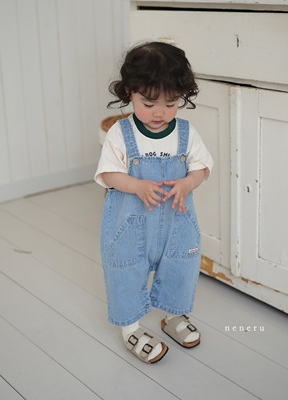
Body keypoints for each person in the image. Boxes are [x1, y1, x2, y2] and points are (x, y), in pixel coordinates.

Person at [95, 41, 213, 364]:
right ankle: (130, 327)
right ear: (130, 92)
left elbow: (202, 168)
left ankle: (173, 315)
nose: (159, 113)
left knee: (181, 265)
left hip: (176, 221)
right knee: (126, 270)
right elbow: (107, 174)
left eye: (171, 103)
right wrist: (136, 185)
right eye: (148, 103)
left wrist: (187, 183)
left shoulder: (186, 133)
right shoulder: (121, 134)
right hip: (130, 223)